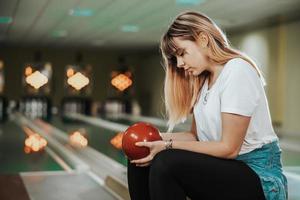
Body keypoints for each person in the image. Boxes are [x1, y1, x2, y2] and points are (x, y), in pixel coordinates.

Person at [127, 11, 287, 200]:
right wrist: (151, 140)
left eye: (182, 53)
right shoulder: (204, 81)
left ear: (203, 39)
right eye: (175, 58)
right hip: (228, 169)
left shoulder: (237, 70)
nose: (179, 64)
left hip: (259, 177)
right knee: (139, 155)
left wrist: (167, 146)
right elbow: (195, 136)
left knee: (166, 162)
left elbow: (229, 148)